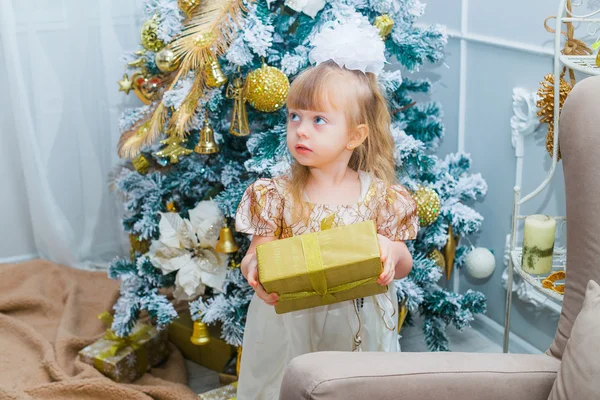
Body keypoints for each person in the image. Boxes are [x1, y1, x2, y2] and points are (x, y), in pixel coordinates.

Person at [234, 22, 419, 400]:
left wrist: (391, 251)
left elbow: (403, 264)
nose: (301, 130)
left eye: (319, 120)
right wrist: (254, 269)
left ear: (355, 135)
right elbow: (256, 252)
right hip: (289, 324)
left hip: (357, 324)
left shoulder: (381, 197)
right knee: (285, 386)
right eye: (294, 116)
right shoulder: (276, 193)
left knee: (351, 388)